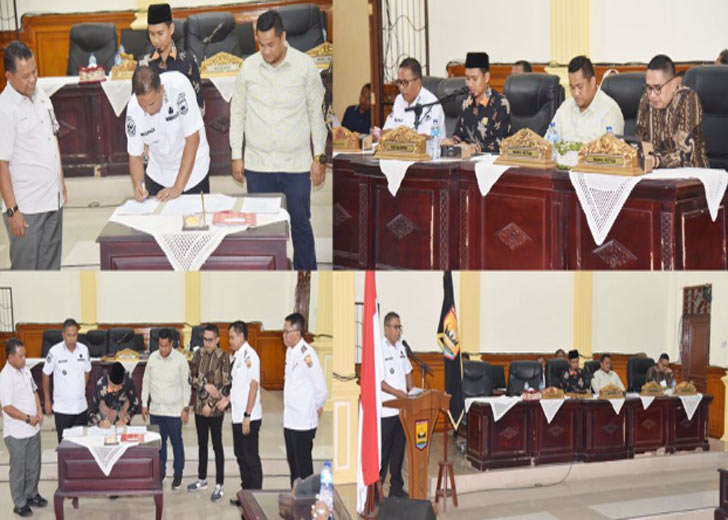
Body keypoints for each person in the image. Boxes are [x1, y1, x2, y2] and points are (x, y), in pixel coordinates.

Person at [229, 9, 327, 270]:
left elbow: (316, 115)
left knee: (300, 225)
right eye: (261, 45)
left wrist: (319, 157)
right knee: (261, 229)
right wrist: (236, 154)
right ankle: (267, 277)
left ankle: (307, 279)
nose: (266, 51)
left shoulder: (305, 66)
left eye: (271, 44)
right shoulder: (248, 68)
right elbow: (237, 113)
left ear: (283, 37)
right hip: (258, 165)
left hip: (295, 165)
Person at [0, 40, 66, 270]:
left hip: (52, 199)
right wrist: (12, 211)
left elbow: (53, 139)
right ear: (9, 76)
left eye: (34, 72)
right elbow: (2, 165)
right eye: (25, 76)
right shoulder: (5, 109)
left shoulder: (42, 96)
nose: (32, 80)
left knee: (51, 269)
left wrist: (61, 182)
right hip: (27, 207)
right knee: (26, 275)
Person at [126, 66, 210, 201]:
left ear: (161, 89)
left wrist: (177, 187)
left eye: (151, 104)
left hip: (193, 171)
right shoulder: (133, 110)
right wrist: (138, 186)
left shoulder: (179, 87)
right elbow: (135, 156)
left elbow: (193, 139)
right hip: (159, 172)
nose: (148, 110)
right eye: (143, 106)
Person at [635, 54, 709, 169]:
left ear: (673, 85)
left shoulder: (687, 98)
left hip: (691, 173)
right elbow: (639, 142)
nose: (652, 95)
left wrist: (656, 161)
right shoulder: (646, 100)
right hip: (655, 173)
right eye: (649, 87)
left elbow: (686, 151)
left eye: (657, 88)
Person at [0, 339, 47, 517]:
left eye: (24, 355)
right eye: (20, 356)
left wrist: (39, 410)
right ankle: (19, 503)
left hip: (33, 429)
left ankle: (32, 495)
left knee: (34, 465)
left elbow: (34, 391)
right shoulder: (5, 377)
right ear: (10, 357)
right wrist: (28, 419)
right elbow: (7, 407)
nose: (24, 359)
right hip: (17, 432)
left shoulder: (25, 370)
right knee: (19, 469)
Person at [219, 321, 263, 507]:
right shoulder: (237, 356)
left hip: (248, 417)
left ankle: (255, 498)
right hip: (237, 416)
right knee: (240, 455)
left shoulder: (250, 355)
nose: (230, 341)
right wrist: (227, 399)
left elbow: (253, 385)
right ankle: (246, 493)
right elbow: (238, 387)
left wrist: (247, 415)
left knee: (250, 458)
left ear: (241, 336)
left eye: (232, 337)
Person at [141, 328, 191, 490]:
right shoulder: (152, 358)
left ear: (172, 344)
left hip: (174, 412)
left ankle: (178, 474)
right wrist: (144, 403)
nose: (163, 349)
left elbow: (186, 385)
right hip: (156, 411)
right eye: (160, 346)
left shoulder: (180, 360)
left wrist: (185, 408)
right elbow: (146, 381)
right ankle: (160, 472)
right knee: (158, 445)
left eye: (166, 346)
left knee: (177, 443)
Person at [282, 312, 327, 487]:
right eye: (284, 331)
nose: (284, 335)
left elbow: (321, 388)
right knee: (293, 464)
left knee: (303, 467)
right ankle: (295, 495)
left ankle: (308, 499)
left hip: (303, 420)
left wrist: (314, 408)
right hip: (290, 419)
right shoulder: (290, 352)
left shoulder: (307, 354)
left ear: (297, 333)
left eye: (287, 332)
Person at [187, 324, 230, 502]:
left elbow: (226, 385)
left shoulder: (223, 356)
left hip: (215, 411)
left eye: (210, 340)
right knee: (202, 444)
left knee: (217, 446)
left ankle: (219, 484)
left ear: (217, 340)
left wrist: (210, 405)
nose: (207, 343)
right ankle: (202, 479)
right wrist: (204, 385)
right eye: (204, 339)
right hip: (199, 408)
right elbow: (191, 378)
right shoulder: (198, 354)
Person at [141, 3, 204, 111]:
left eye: (160, 34)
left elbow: (199, 106)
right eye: (152, 34)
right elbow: (138, 107)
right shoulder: (144, 65)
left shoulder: (188, 61)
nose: (156, 40)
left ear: (171, 29)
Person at [446, 52, 511, 154]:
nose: (470, 84)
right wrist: (452, 142)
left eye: (474, 79)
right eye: (467, 78)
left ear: (486, 77)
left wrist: (474, 149)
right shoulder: (466, 103)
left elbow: (501, 144)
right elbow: (459, 134)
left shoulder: (500, 104)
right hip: (467, 159)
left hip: (491, 161)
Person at [550, 55, 624, 142]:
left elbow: (609, 149)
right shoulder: (566, 107)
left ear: (592, 82)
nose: (576, 93)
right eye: (572, 87)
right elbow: (548, 141)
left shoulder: (610, 111)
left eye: (580, 87)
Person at [42, 318, 92, 443]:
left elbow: (87, 371)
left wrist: (81, 388)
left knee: (82, 445)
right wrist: (47, 400)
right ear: (63, 335)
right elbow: (45, 374)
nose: (72, 338)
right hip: (62, 408)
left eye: (74, 335)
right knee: (64, 445)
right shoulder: (54, 351)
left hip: (80, 407)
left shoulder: (84, 350)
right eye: (69, 335)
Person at [379, 311, 412, 498]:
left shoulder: (401, 348)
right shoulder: (379, 349)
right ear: (386, 329)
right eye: (395, 327)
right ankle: (376, 491)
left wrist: (411, 391)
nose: (398, 331)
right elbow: (380, 382)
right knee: (384, 452)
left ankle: (396, 488)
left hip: (402, 411)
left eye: (400, 327)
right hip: (387, 411)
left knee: (399, 451)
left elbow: (408, 371)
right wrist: (397, 393)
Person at [379, 57, 446, 138]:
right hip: (400, 146)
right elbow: (387, 130)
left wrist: (399, 136)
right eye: (399, 82)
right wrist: (380, 134)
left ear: (418, 83)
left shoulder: (432, 104)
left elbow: (429, 137)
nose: (401, 87)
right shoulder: (399, 99)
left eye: (405, 82)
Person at [89, 362, 140, 428]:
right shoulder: (101, 385)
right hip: (106, 424)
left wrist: (125, 419)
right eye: (113, 387)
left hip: (123, 422)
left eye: (118, 387)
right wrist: (99, 423)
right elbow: (90, 411)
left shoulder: (128, 381)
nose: (115, 390)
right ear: (108, 379)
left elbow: (135, 405)